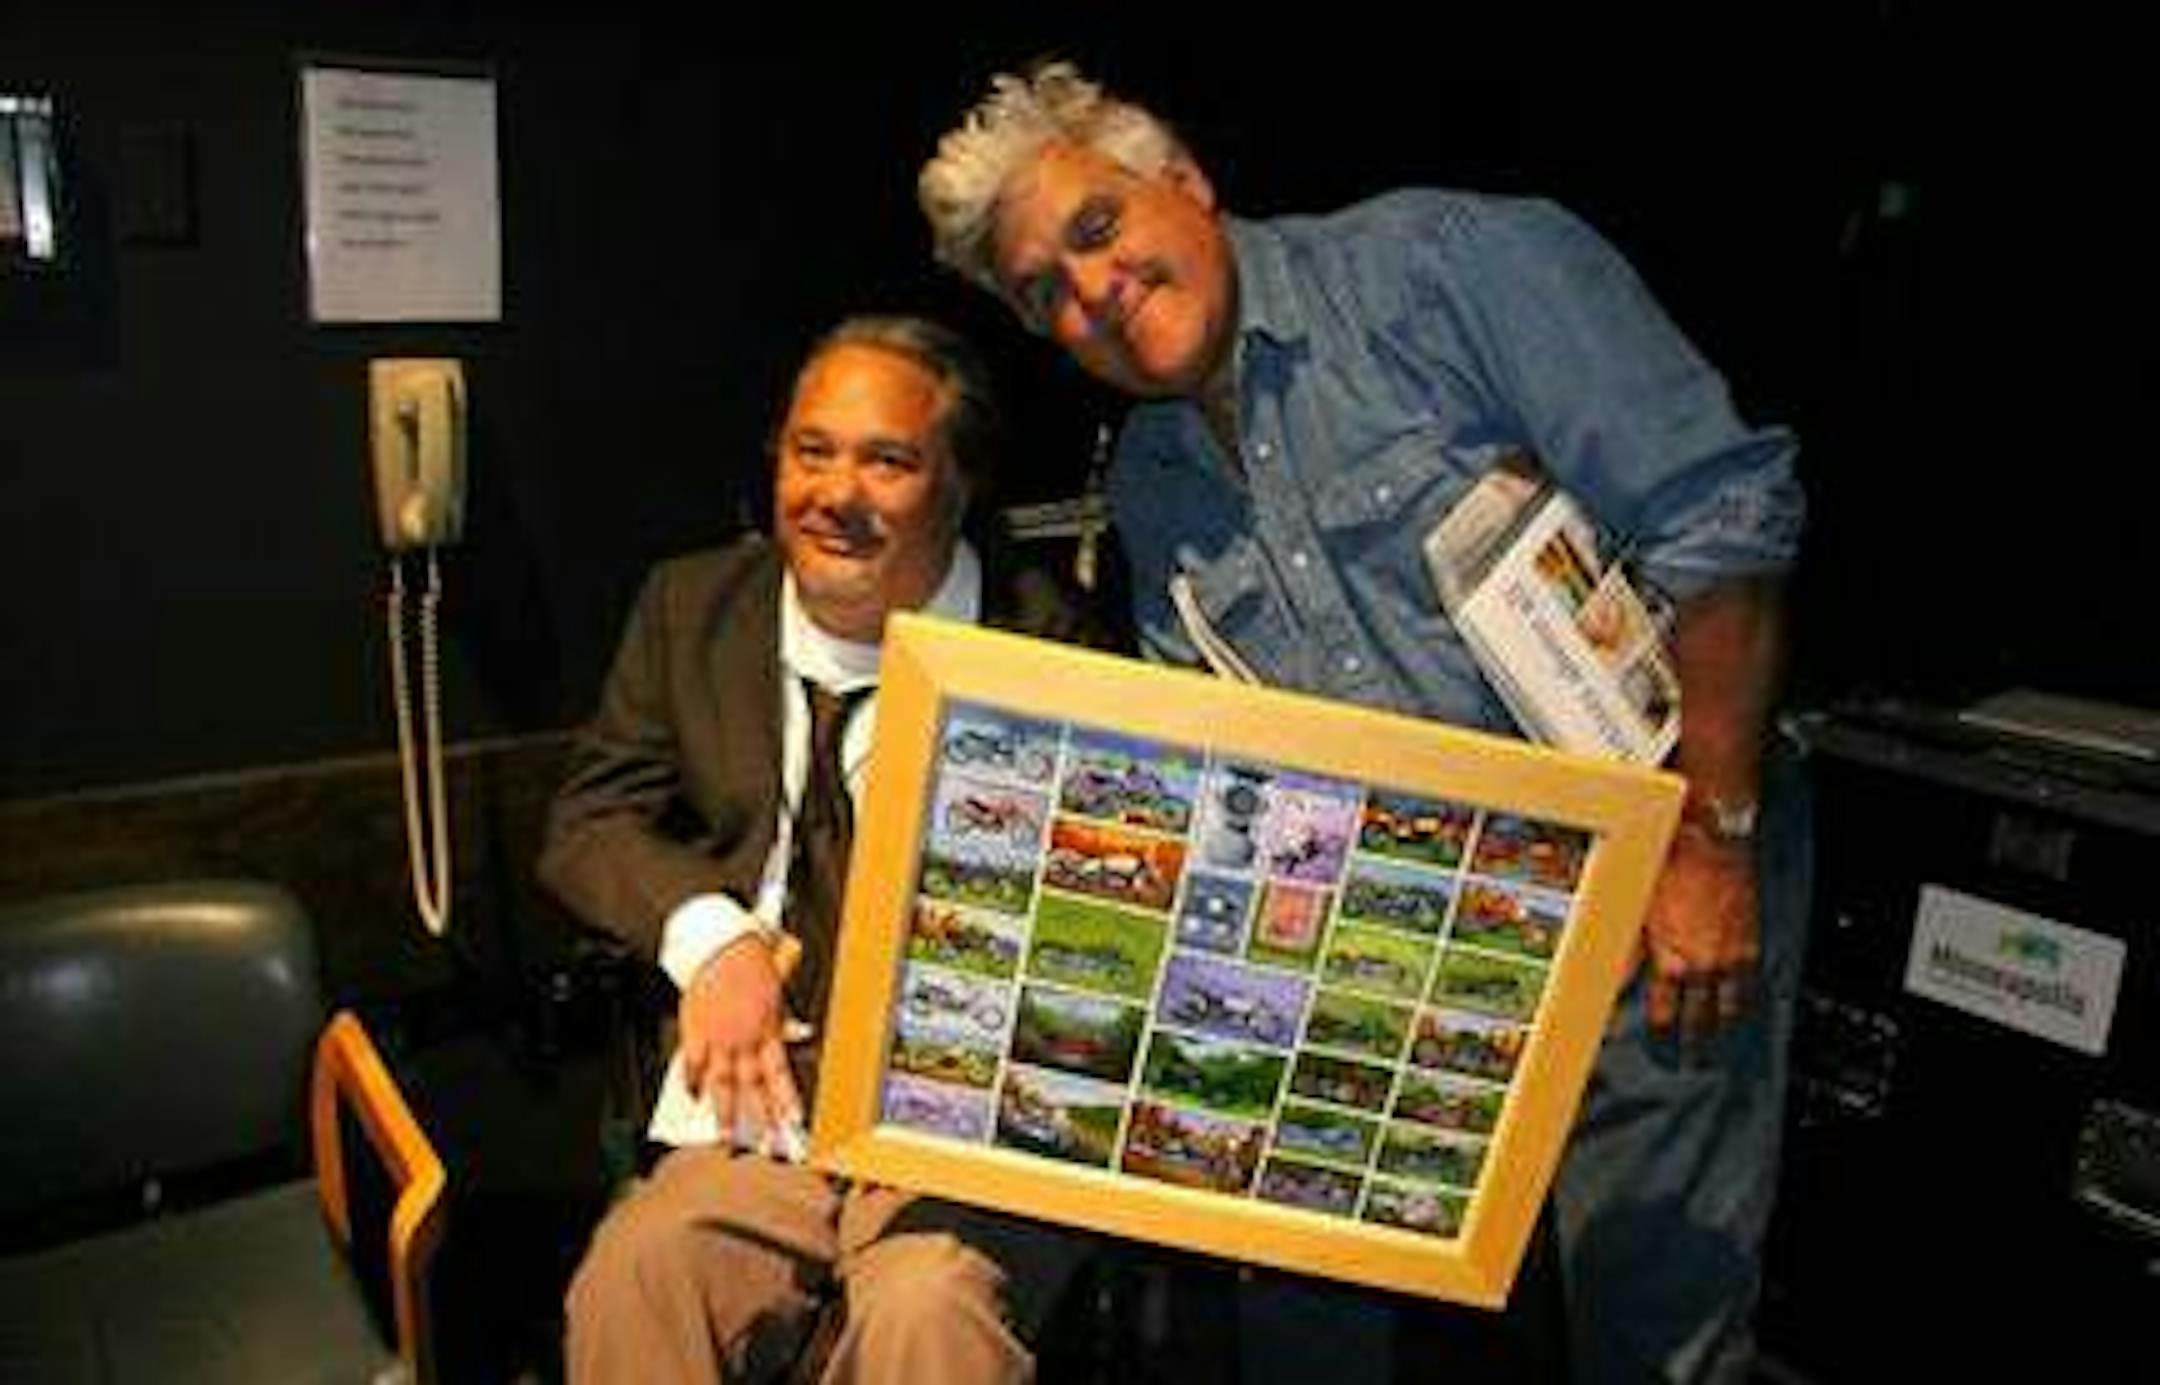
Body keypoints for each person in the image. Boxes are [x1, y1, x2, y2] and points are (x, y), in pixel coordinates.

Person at [920, 62, 1811, 1385]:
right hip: (1411, 953)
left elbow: (1720, 515)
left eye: (1097, 230)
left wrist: (1711, 838)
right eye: (1044, 288)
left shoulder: (1450, 265)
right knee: (1308, 1320)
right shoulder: (1155, 490)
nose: (1090, 291)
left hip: (1657, 886)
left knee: (1651, 1325)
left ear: (1184, 182)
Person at [539, 315, 1106, 1384]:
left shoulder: (1050, 640)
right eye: (812, 450)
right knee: (638, 1267)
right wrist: (713, 939)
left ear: (956, 482)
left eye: (886, 459)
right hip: (759, 1104)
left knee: (926, 1312)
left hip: (967, 1128)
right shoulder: (691, 608)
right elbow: (590, 820)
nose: (835, 492)